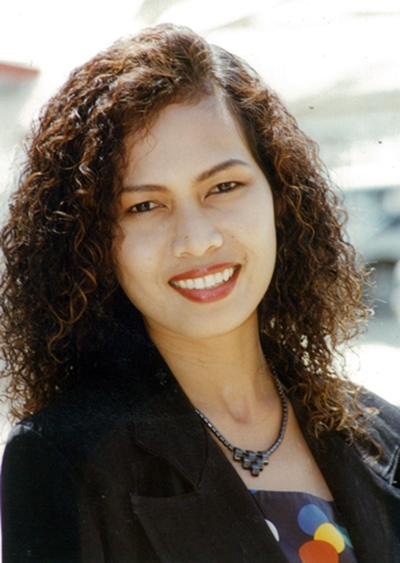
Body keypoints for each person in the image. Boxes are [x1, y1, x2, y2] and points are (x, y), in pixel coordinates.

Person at [0, 23, 399, 563]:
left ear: (280, 196)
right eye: (144, 206)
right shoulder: (62, 460)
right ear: (90, 242)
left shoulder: (386, 435)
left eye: (224, 187)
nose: (197, 239)